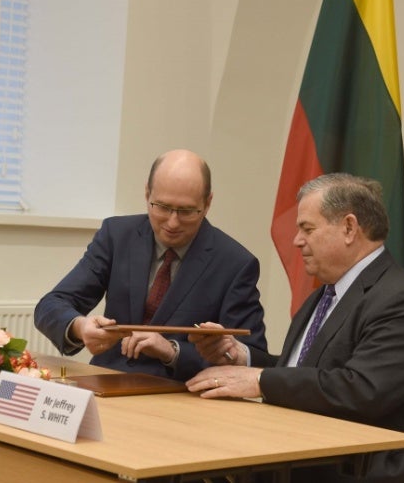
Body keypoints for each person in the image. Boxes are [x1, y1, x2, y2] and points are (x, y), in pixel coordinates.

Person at [186, 173, 404, 483]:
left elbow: (362, 390)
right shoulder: (324, 294)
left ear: (349, 228)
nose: (297, 240)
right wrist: (242, 358)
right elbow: (306, 371)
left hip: (360, 466)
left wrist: (260, 380)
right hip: (304, 449)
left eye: (307, 229)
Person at [34, 149, 268, 381]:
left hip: (181, 393)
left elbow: (253, 358)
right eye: (163, 207)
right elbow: (50, 306)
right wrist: (80, 327)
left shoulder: (235, 263)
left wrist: (172, 351)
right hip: (107, 380)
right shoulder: (117, 236)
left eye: (186, 211)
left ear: (207, 204)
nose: (173, 222)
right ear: (147, 194)